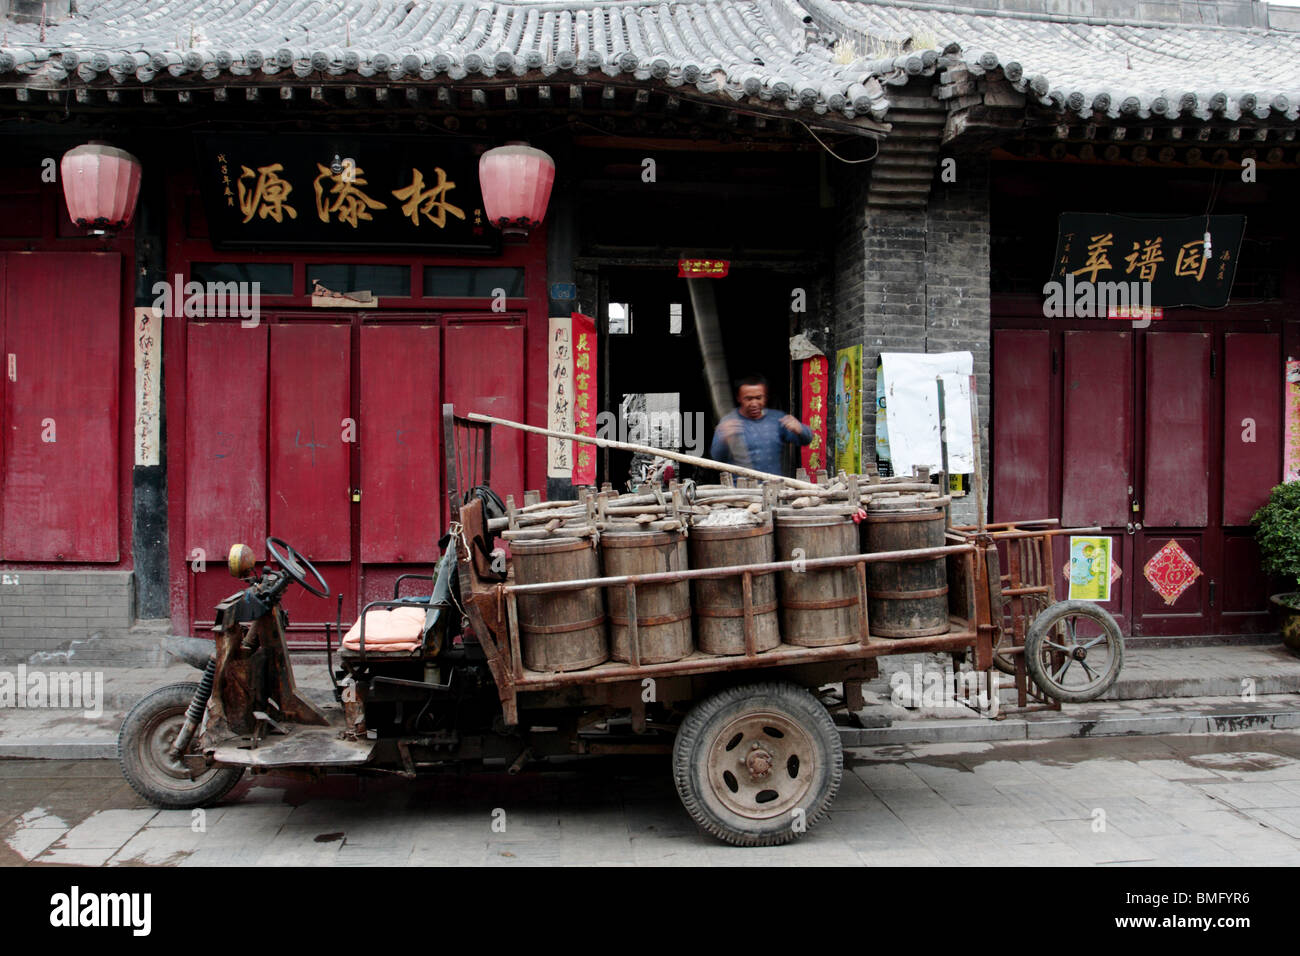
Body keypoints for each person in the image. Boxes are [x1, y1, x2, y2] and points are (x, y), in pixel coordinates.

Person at [710, 375, 812, 477]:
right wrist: (723, 440)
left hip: (774, 485)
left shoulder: (777, 419)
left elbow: (806, 440)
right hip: (741, 488)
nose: (754, 403)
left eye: (759, 398)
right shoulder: (729, 422)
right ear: (739, 398)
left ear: (766, 397)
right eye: (748, 399)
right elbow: (716, 458)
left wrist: (801, 430)